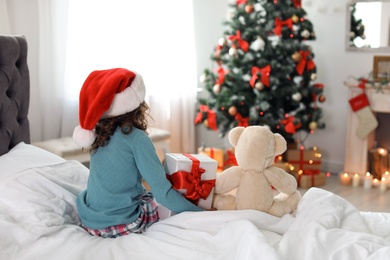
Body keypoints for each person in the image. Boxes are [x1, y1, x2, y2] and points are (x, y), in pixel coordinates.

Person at [73, 68, 203, 238]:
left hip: (91, 222)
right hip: (121, 223)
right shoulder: (137, 139)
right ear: (137, 103)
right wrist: (199, 212)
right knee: (155, 202)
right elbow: (162, 193)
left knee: (143, 193)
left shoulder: (98, 133)